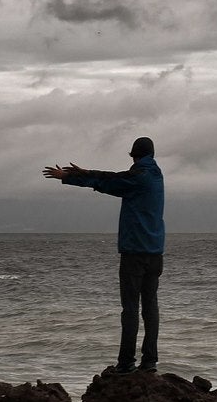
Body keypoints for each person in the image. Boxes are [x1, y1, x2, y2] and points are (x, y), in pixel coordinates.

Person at [44, 137, 165, 374]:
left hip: (134, 253)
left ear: (133, 155)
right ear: (151, 154)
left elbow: (111, 182)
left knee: (130, 309)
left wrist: (70, 177)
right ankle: (150, 362)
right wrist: (86, 172)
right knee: (150, 308)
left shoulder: (138, 177)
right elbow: (115, 177)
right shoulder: (156, 175)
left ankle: (126, 364)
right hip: (155, 253)